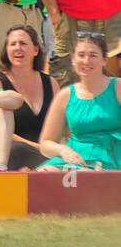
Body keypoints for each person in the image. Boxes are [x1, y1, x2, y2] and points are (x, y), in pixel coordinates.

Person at [37, 32, 121, 171]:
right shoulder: (65, 95)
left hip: (111, 157)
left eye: (93, 55)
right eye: (81, 55)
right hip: (74, 157)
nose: (86, 61)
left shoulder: (118, 87)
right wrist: (62, 150)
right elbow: (45, 143)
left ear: (104, 60)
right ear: (73, 59)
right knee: (44, 174)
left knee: (82, 176)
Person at [0, 25, 57, 170]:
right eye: (12, 44)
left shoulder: (51, 83)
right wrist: (37, 148)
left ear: (36, 50)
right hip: (11, 153)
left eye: (23, 43)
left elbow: (60, 128)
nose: (18, 48)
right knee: (20, 149)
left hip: (45, 155)